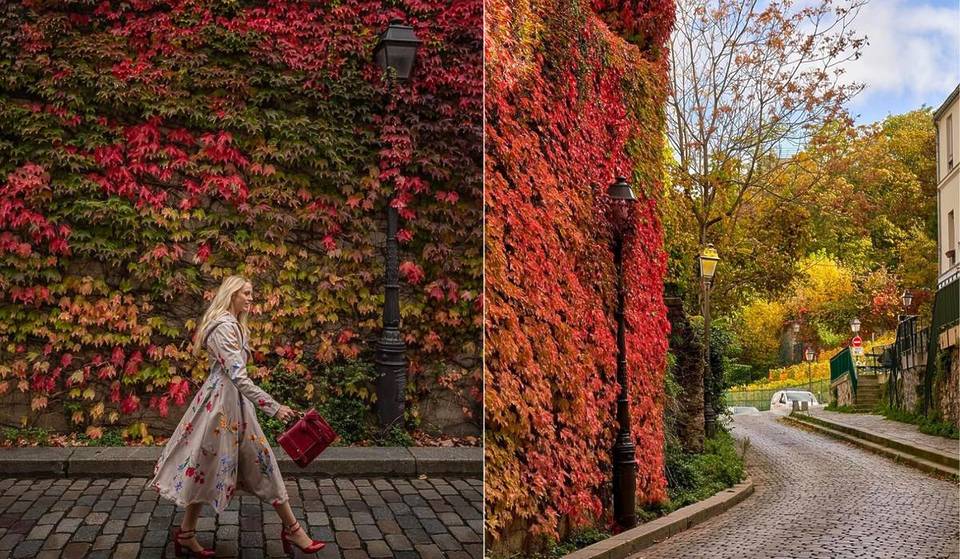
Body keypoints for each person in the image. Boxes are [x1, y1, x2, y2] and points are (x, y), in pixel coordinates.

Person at [149, 275, 325, 557]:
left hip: (234, 406)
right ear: (231, 293)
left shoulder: (234, 327)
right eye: (246, 293)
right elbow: (237, 377)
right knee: (206, 467)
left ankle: (291, 529)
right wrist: (273, 406)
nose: (251, 298)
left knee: (259, 462)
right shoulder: (223, 328)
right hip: (221, 409)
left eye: (251, 293)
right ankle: (188, 534)